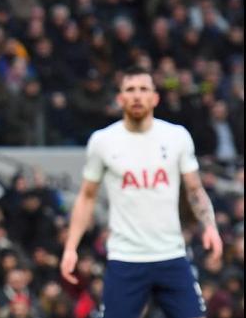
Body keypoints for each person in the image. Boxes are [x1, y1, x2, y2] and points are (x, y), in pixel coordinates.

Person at [60, 65, 223, 318]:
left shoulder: (176, 137)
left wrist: (210, 226)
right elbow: (87, 196)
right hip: (125, 258)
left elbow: (194, 189)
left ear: (155, 98)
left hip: (171, 255)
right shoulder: (103, 141)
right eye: (130, 89)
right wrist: (71, 246)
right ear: (120, 98)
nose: (137, 95)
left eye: (144, 89)